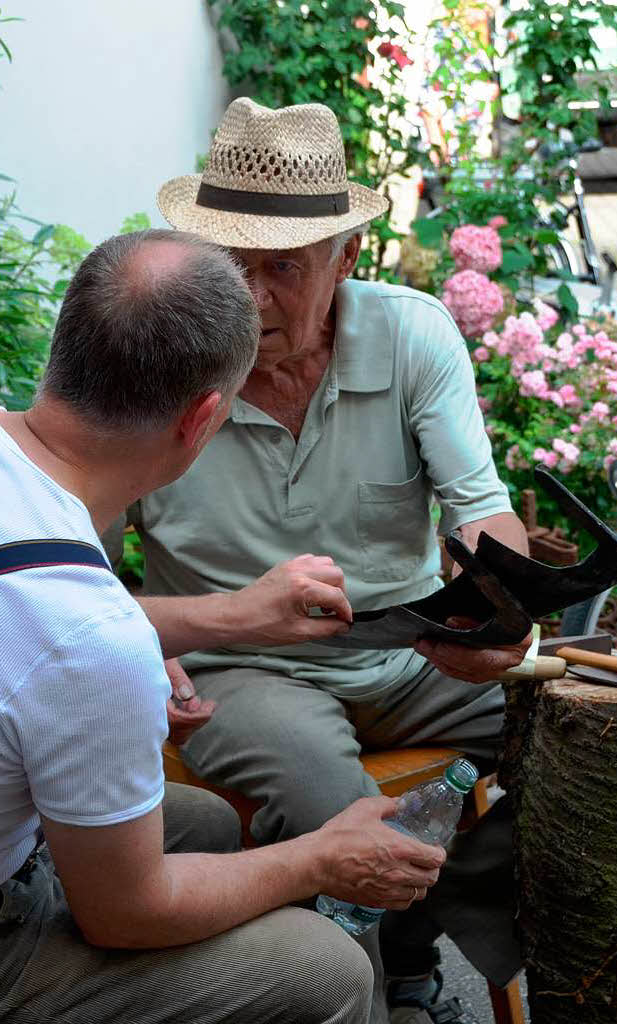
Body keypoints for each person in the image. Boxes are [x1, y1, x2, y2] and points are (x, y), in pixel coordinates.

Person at [130, 98, 531, 1022]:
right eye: (230, 264)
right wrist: (147, 651)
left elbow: (482, 514)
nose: (249, 297)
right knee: (320, 794)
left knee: (568, 727)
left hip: (409, 652)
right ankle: (340, 994)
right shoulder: (155, 357)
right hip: (239, 667)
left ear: (347, 258)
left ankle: (417, 943)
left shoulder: (411, 333)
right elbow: (74, 568)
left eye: (281, 268)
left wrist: (497, 611)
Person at [0, 229, 446, 1024]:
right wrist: (320, 857)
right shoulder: (92, 641)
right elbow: (125, 912)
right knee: (324, 968)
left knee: (202, 819)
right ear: (205, 416)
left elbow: (42, 632)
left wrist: (207, 625)